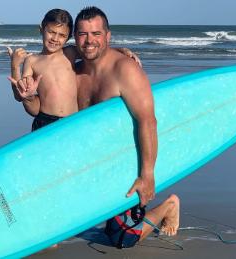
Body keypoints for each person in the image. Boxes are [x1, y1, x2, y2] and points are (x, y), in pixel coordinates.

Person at [72, 6, 179, 248]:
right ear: (75, 37)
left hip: (123, 161)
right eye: (82, 34)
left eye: (96, 34)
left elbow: (148, 121)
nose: (89, 41)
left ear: (108, 36)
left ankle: (168, 206)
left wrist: (147, 175)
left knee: (123, 238)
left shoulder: (125, 70)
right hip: (91, 161)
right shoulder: (74, 70)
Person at [8, 8, 141, 132]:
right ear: (41, 29)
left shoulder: (70, 52)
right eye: (51, 32)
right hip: (44, 120)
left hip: (72, 119)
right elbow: (19, 95)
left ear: (68, 37)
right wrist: (15, 66)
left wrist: (121, 50)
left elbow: (94, 50)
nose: (55, 38)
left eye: (61, 35)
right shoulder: (32, 61)